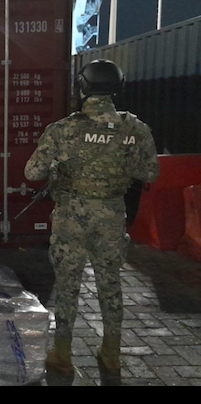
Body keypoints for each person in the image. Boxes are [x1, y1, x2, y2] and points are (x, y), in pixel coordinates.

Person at [25, 59, 160, 386]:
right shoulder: (135, 129)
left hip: (71, 218)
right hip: (111, 217)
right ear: (117, 87)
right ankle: (111, 354)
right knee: (110, 285)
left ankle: (62, 355)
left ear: (82, 87)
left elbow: (32, 172)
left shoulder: (63, 130)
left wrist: (58, 164)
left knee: (67, 286)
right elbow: (150, 173)